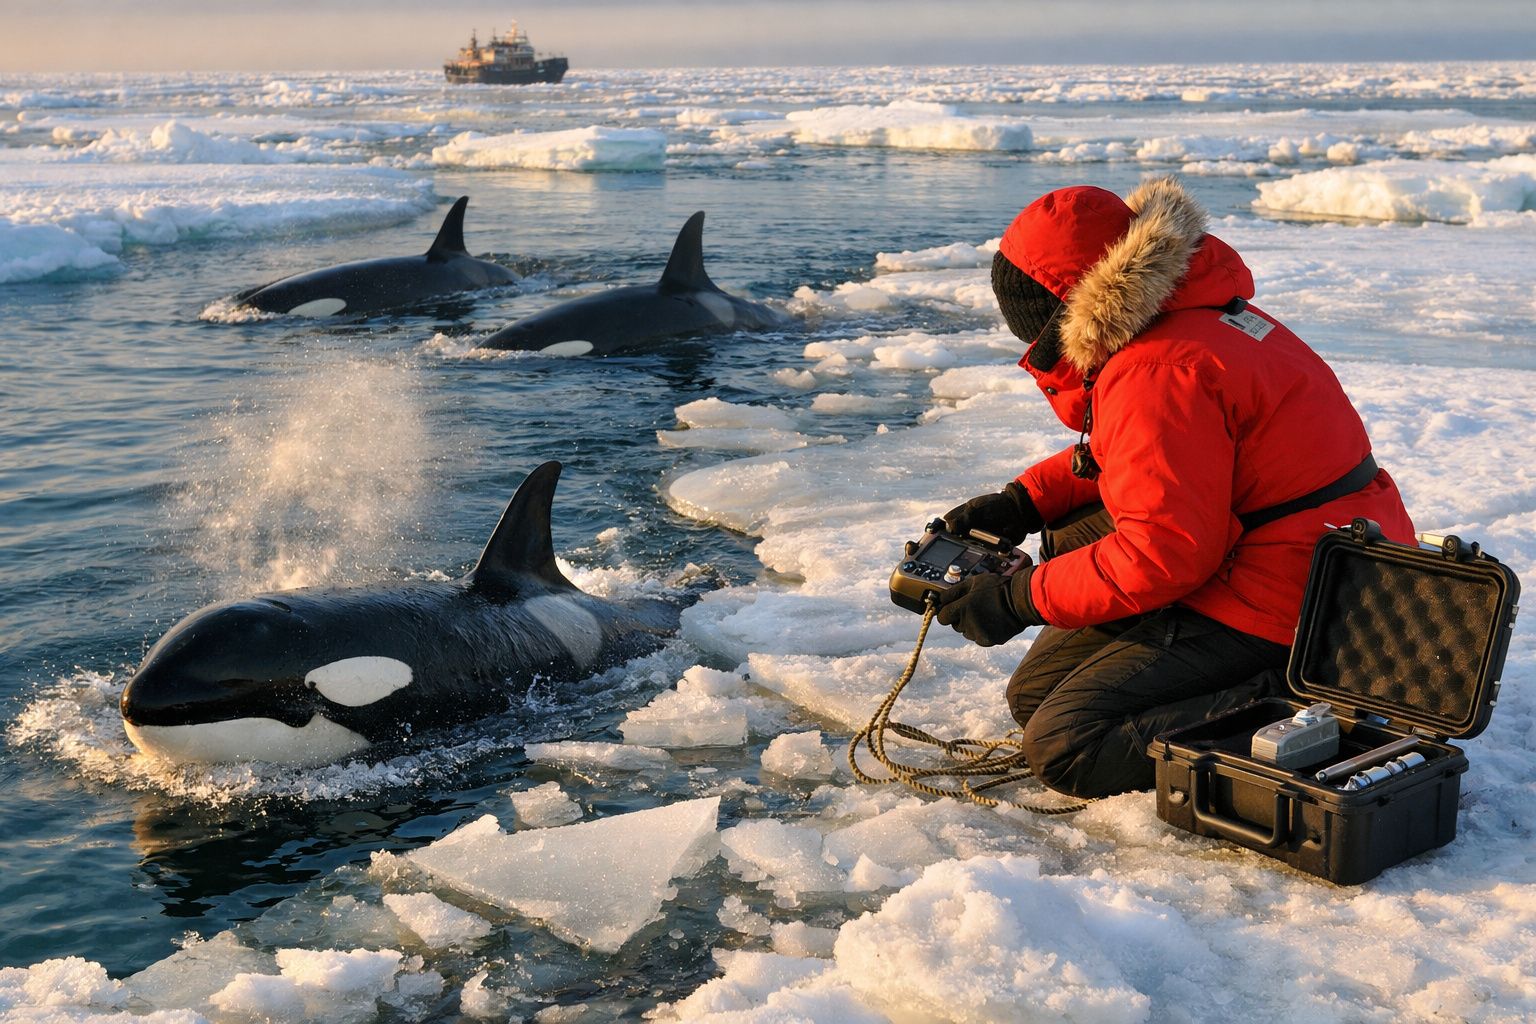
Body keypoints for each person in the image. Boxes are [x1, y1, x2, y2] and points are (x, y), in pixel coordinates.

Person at [933, 177, 1415, 799]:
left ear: (1065, 316)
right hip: (1322, 548)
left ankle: (1304, 688)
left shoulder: (1158, 369)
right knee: (1035, 694)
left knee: (1068, 744)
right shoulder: (1193, 317)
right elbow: (1138, 454)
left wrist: (1018, 599)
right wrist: (1023, 500)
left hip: (1298, 594)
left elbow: (1165, 551)